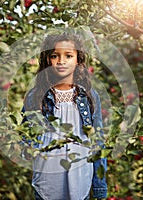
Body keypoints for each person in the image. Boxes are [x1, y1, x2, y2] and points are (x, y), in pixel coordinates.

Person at [22, 33, 107, 200]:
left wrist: (99, 187)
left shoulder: (90, 96)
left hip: (81, 179)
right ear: (48, 60)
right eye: (55, 56)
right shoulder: (35, 96)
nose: (61, 61)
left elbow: (98, 142)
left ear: (78, 60)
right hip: (47, 183)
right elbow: (25, 135)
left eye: (68, 56)